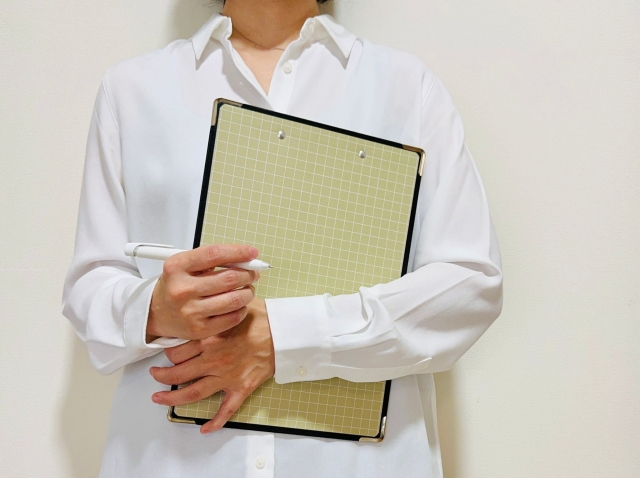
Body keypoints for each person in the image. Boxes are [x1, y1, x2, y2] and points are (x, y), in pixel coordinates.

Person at [62, 0, 503, 476]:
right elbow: (89, 285)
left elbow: (468, 285)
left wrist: (286, 337)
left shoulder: (405, 86)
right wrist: (153, 310)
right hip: (174, 460)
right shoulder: (132, 89)